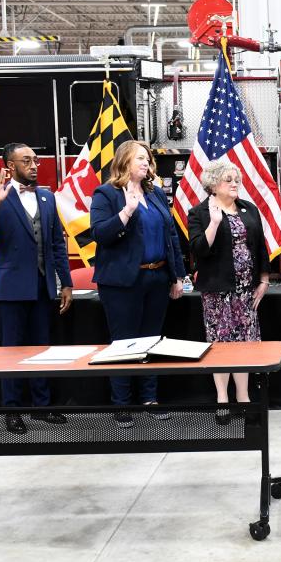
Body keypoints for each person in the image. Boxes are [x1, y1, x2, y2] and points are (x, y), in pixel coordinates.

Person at [0, 143, 73, 434]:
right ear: (10, 167)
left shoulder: (46, 196)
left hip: (42, 286)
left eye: (36, 160)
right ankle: (12, 409)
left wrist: (65, 282)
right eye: (26, 161)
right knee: (11, 351)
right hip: (13, 288)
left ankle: (42, 407)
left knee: (41, 347)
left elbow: (56, 244)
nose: (34, 165)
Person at [89, 139, 186, 423]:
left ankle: (149, 399)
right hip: (121, 283)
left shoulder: (154, 194)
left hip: (156, 276)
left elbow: (171, 237)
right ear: (124, 162)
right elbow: (100, 234)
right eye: (140, 158)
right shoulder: (106, 194)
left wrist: (177, 275)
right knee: (124, 342)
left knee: (151, 340)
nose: (147, 163)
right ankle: (122, 405)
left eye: (148, 159)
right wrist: (126, 211)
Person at [188, 160, 270, 405]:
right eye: (229, 179)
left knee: (244, 343)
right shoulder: (199, 213)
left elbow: (261, 248)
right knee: (221, 345)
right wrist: (214, 223)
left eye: (238, 179)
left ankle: (243, 397)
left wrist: (264, 280)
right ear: (213, 184)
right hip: (217, 292)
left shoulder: (248, 208)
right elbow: (198, 250)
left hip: (246, 292)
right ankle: (222, 398)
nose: (235, 184)